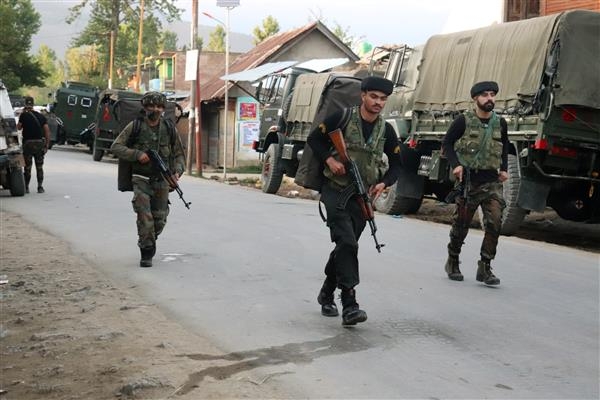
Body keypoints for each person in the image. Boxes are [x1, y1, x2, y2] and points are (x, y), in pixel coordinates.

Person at [306, 76, 402, 326]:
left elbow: (397, 165)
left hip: (361, 197)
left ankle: (327, 292)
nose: (378, 102)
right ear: (363, 96)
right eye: (373, 97)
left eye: (383, 99)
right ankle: (349, 303)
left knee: (345, 247)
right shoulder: (343, 117)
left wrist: (384, 183)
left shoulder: (386, 130)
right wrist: (330, 160)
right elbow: (314, 139)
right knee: (347, 242)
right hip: (335, 191)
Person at [441, 81, 510, 286]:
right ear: (475, 98)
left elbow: (505, 145)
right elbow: (447, 143)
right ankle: (453, 260)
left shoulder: (500, 122)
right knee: (461, 224)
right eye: (485, 95)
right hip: (469, 181)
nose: (489, 98)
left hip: (492, 182)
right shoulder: (463, 120)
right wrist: (456, 165)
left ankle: (485, 266)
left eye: (492, 95)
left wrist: (504, 168)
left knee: (495, 223)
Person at [111, 92, 185, 268]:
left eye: (159, 107)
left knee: (159, 219)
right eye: (151, 106)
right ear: (144, 107)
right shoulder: (135, 126)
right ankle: (146, 251)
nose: (155, 110)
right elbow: (116, 146)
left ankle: (149, 240)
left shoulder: (169, 128)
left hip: (162, 180)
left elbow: (179, 155)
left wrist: (177, 172)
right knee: (145, 217)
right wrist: (137, 154)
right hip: (141, 178)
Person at [17, 96, 50, 194]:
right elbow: (47, 131)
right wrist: (47, 144)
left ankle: (26, 187)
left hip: (28, 144)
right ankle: (40, 187)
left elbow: (18, 128)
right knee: (39, 166)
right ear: (33, 104)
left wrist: (22, 115)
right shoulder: (41, 116)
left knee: (27, 167)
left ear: (25, 104)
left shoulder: (23, 115)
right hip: (39, 144)